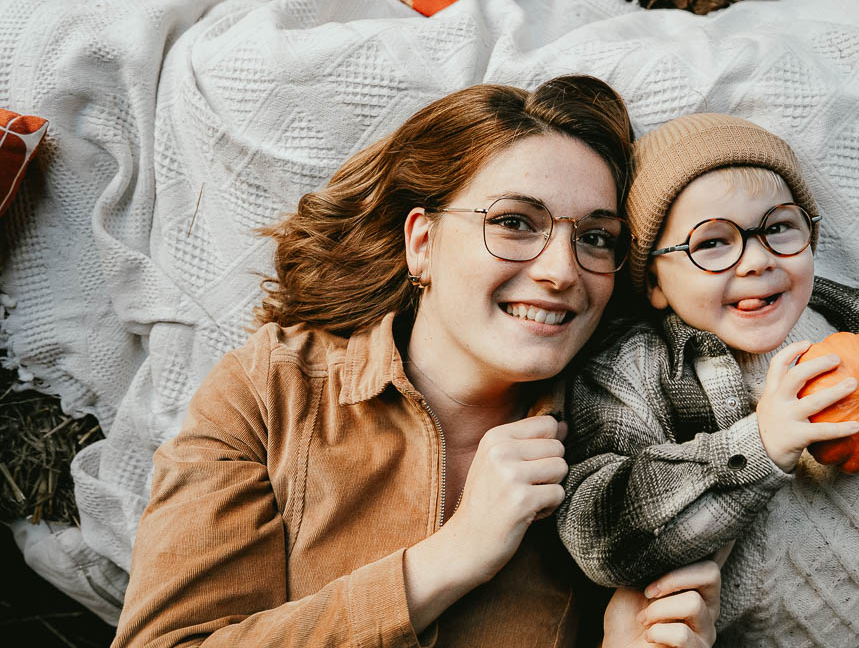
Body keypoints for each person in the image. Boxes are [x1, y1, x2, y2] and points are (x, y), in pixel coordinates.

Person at [111, 77, 721, 648]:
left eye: (595, 237)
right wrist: (452, 557)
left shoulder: (635, 446)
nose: (562, 271)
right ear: (422, 243)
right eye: (513, 223)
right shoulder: (273, 391)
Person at [556, 113, 859, 647]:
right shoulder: (638, 368)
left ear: (811, 240)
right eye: (711, 244)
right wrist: (759, 444)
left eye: (777, 228)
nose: (756, 260)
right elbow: (598, 532)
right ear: (654, 281)